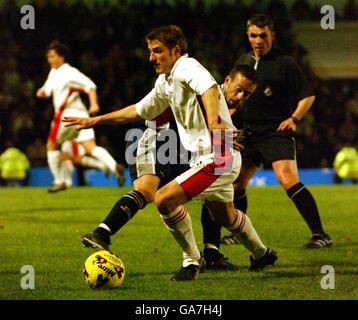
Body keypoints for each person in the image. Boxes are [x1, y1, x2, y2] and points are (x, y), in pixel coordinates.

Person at [64, 25, 277, 281]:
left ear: (176, 50)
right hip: (208, 157)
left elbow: (208, 88)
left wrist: (213, 123)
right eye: (150, 51)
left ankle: (192, 260)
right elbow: (139, 110)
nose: (151, 57)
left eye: (157, 51)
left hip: (219, 156)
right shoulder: (166, 81)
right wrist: (96, 121)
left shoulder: (187, 67)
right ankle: (262, 254)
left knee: (164, 199)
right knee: (227, 217)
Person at [220, 14, 332, 249]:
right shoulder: (244, 60)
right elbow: (233, 95)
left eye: (263, 35)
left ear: (272, 35)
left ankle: (320, 234)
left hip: (275, 131)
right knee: (237, 183)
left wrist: (294, 118)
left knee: (287, 178)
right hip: (248, 132)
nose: (258, 40)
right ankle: (238, 233)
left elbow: (308, 95)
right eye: (253, 35)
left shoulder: (285, 63)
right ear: (248, 36)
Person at [36, 40, 124, 192]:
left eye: (52, 56)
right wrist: (42, 92)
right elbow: (46, 90)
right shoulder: (54, 72)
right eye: (48, 56)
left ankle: (59, 181)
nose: (49, 59)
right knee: (90, 147)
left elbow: (90, 86)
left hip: (66, 116)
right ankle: (113, 165)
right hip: (81, 115)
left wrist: (94, 104)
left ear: (61, 57)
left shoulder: (70, 72)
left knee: (52, 146)